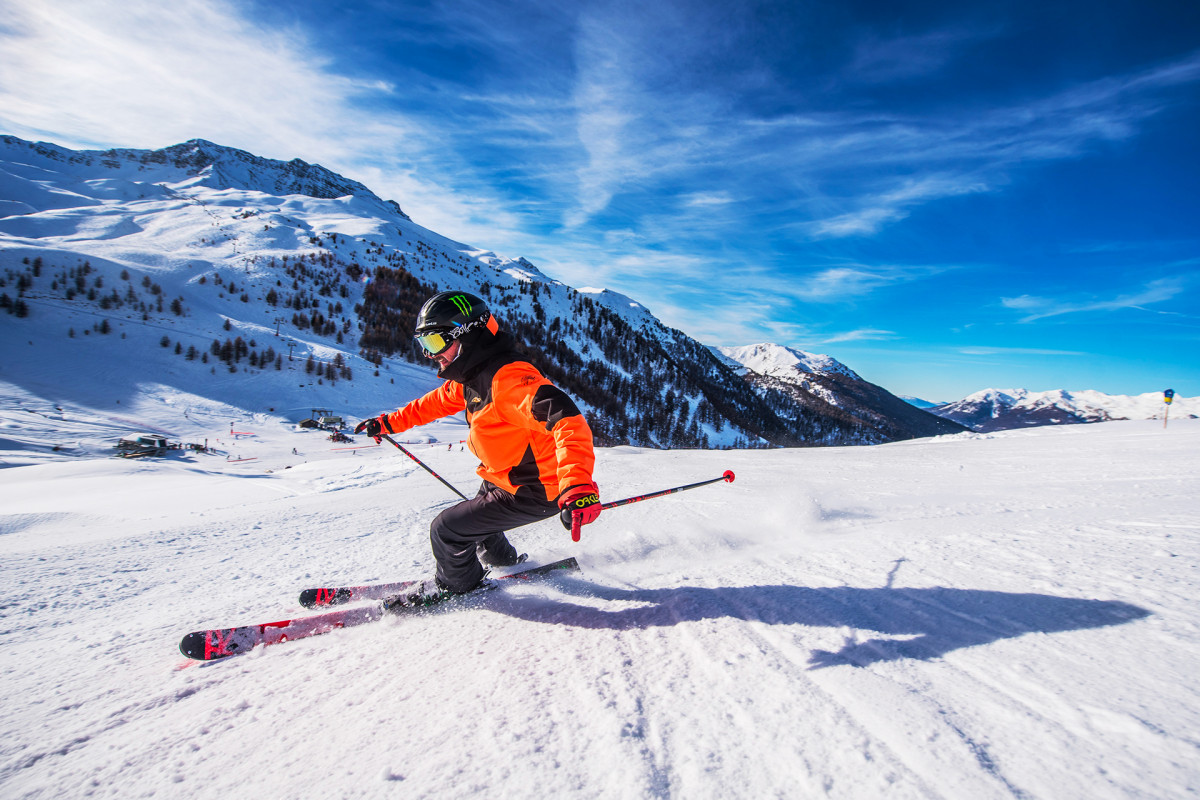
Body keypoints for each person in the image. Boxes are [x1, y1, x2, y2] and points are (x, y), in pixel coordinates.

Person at [355, 290, 600, 605]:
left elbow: (567, 420)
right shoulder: (474, 377)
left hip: (536, 489)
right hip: (506, 478)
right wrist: (387, 423)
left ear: (467, 336)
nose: (430, 355)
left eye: (435, 343)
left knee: (446, 530)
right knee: (475, 517)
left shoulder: (508, 381)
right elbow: (432, 404)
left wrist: (577, 485)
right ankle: (505, 562)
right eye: (424, 345)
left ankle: (460, 589)